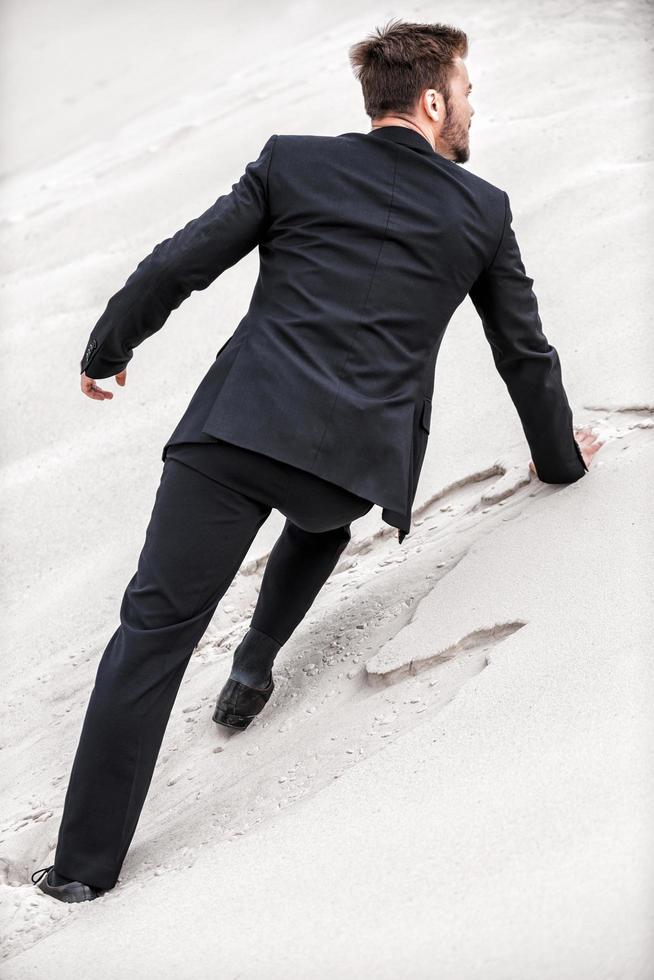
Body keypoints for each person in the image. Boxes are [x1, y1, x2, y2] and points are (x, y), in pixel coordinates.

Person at [32, 17, 603, 903]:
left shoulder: (291, 162)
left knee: (150, 637)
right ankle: (254, 663)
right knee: (318, 522)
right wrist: (560, 462)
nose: (470, 111)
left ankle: (78, 875)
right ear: (429, 99)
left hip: (232, 436)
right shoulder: (482, 209)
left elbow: (180, 264)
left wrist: (110, 346)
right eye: (467, 95)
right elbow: (522, 354)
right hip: (345, 466)